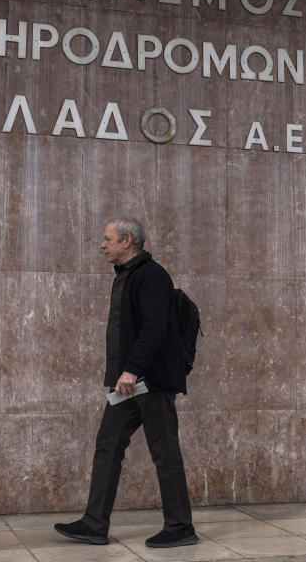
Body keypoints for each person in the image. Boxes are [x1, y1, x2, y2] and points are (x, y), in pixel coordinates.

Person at [54, 216, 198, 548]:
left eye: (107, 239)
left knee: (164, 451)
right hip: (128, 383)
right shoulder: (126, 277)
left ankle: (180, 526)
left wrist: (132, 369)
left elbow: (155, 328)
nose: (102, 245)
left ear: (127, 240)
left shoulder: (152, 276)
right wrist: (124, 374)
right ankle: (94, 523)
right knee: (108, 444)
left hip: (151, 381)